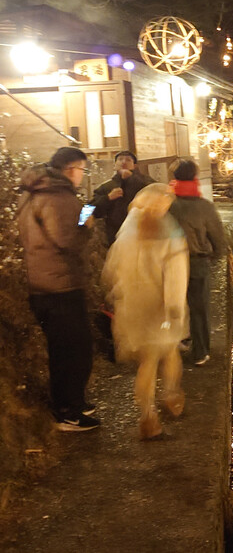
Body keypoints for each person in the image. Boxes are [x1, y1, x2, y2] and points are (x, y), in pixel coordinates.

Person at [17, 146, 99, 431]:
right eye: (82, 170)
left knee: (63, 349)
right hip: (60, 286)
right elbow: (69, 241)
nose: (82, 176)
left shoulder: (32, 193)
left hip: (41, 284)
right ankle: (68, 412)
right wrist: (86, 223)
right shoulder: (58, 198)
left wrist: (82, 211)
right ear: (70, 169)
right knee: (75, 351)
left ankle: (72, 401)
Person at [101, 183, 188, 440]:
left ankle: (148, 415)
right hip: (160, 311)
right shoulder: (170, 235)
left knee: (146, 364)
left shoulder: (125, 234)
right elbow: (176, 279)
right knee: (170, 353)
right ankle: (171, 394)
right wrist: (174, 313)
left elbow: (110, 273)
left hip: (132, 309)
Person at [169, 159, 227, 366]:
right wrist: (218, 256)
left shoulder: (166, 203)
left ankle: (172, 344)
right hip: (196, 262)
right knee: (199, 308)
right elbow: (218, 238)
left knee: (171, 304)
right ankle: (200, 352)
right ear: (195, 177)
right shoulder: (204, 206)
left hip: (168, 262)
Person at [91, 150, 154, 245]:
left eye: (128, 160)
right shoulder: (106, 187)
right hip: (115, 236)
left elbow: (157, 196)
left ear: (135, 166)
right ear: (114, 165)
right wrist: (108, 198)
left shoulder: (146, 182)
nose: (124, 162)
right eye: (120, 159)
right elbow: (89, 210)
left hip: (143, 234)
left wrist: (132, 179)